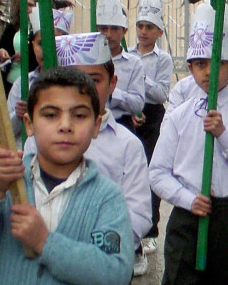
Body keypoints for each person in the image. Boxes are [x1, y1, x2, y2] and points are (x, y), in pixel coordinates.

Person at [149, 3, 228, 284]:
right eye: (200, 64)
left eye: (217, 63)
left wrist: (224, 134)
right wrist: (188, 199)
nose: (208, 72)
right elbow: (157, 173)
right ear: (190, 67)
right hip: (189, 219)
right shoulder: (179, 115)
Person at [28, 32, 154, 276]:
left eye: (93, 80)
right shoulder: (40, 141)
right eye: (74, 79)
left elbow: (137, 217)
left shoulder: (128, 145)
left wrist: (77, 249)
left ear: (112, 83)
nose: (83, 89)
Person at [0, 67, 134, 283]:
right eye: (50, 115)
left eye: (79, 116)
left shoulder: (107, 197)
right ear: (29, 124)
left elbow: (115, 272)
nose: (66, 126)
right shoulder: (6, 181)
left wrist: (45, 242)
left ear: (96, 125)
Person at [129, 0, 173, 261]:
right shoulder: (127, 55)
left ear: (159, 31)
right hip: (131, 113)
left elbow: (160, 93)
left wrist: (140, 76)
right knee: (131, 173)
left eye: (149, 27)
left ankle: (151, 230)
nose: (144, 32)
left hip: (153, 117)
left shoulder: (163, 59)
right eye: (140, 26)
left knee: (151, 173)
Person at [9, 5, 73, 139]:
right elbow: (8, 131)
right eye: (41, 44)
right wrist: (18, 114)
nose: (47, 50)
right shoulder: (22, 84)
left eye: (55, 44)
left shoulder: (76, 84)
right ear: (32, 45)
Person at [96, 0, 145, 132]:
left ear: (124, 31)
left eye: (115, 29)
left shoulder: (133, 63)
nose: (109, 34)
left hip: (122, 125)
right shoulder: (88, 61)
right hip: (91, 125)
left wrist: (112, 93)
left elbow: (137, 104)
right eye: (103, 28)